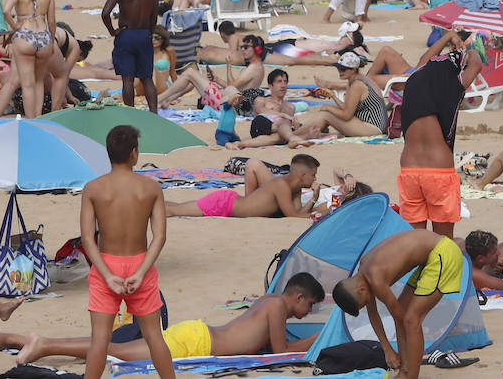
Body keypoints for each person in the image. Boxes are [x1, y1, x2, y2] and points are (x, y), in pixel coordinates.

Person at [17, 273, 325, 364]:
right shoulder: (276, 309)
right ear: (298, 297)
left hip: (197, 334)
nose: (307, 312)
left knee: (117, 348)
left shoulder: (269, 299)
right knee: (118, 351)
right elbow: (281, 350)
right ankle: (44, 345)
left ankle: (45, 344)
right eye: (309, 305)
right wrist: (322, 336)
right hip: (197, 343)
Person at [78, 125, 175, 379]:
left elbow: (88, 239)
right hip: (140, 263)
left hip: (105, 264)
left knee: (100, 339)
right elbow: (160, 237)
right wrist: (142, 272)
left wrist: (108, 275)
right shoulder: (151, 188)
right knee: (154, 336)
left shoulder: (93, 188)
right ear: (134, 152)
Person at [331, 230, 463, 379]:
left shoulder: (376, 279)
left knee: (411, 319)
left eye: (366, 301)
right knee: (404, 311)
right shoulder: (364, 272)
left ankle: (410, 375)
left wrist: (399, 360)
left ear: (360, 290)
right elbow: (373, 314)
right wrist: (387, 349)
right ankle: (405, 372)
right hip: (429, 257)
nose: (369, 302)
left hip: (444, 253)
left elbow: (398, 318)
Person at [397, 32, 485, 236]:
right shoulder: (453, 85)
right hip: (438, 171)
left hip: (409, 169)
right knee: (442, 242)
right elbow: (477, 64)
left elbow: (423, 60)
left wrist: (449, 37)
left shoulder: (414, 79)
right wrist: (469, 47)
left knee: (415, 241)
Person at [167, 154, 319, 219]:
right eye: (313, 175)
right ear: (303, 175)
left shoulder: (295, 188)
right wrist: (319, 215)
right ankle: (151, 207)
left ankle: (155, 206)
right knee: (175, 210)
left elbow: (298, 213)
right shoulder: (282, 185)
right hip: (225, 205)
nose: (315, 178)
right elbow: (292, 215)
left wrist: (314, 199)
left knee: (180, 207)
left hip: (230, 203)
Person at [0, 0, 56, 119]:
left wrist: (15, 26)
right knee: (38, 82)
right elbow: (51, 21)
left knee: (27, 84)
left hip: (25, 34)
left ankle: (30, 120)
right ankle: (37, 118)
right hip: (43, 35)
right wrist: (50, 42)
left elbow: (5, 11)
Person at [103, 0, 160, 113]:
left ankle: (131, 114)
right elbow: (154, 16)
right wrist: (149, 32)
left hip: (126, 34)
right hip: (144, 34)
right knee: (147, 78)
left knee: (127, 79)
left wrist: (112, 31)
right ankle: (154, 114)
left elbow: (105, 14)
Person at [291, 52, 386, 139]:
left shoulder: (357, 84)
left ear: (353, 69)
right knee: (329, 109)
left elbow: (347, 115)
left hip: (374, 128)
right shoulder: (354, 80)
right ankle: (297, 134)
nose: (340, 71)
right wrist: (333, 96)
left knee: (326, 114)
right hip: (371, 123)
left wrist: (327, 108)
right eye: (338, 68)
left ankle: (293, 136)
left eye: (343, 69)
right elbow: (348, 108)